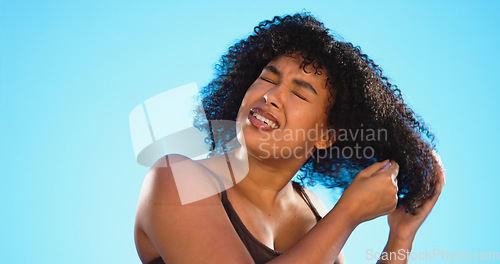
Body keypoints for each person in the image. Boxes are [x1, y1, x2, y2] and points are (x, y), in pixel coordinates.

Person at [134, 13, 445, 264]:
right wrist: (347, 214)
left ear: (325, 135)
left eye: (298, 93)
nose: (270, 96)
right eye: (267, 78)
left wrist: (400, 237)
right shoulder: (175, 178)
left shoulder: (316, 215)